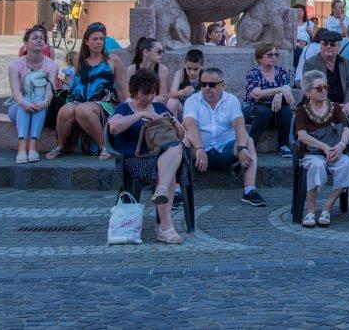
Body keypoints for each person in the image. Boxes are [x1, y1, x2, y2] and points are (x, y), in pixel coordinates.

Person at [108, 69, 189, 244]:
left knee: (176, 147)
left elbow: (181, 135)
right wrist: (140, 115)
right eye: (145, 93)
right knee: (168, 169)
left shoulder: (160, 107)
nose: (149, 97)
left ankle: (162, 193)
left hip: (162, 156)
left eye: (153, 93)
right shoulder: (124, 108)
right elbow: (114, 127)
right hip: (134, 160)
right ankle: (166, 226)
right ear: (135, 91)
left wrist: (173, 121)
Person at [183, 68, 265, 206]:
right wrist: (199, 147)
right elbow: (190, 124)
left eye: (212, 84)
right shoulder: (193, 100)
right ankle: (178, 191)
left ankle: (249, 190)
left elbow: (239, 124)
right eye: (203, 84)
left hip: (225, 150)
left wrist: (241, 147)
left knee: (249, 141)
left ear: (222, 85)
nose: (207, 88)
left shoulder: (231, 100)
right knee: (184, 142)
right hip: (199, 154)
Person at [294, 69, 349, 228]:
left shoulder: (335, 107)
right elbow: (302, 136)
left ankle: (327, 208)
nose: (324, 91)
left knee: (347, 165)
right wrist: (324, 146)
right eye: (319, 88)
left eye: (325, 87)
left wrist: (341, 146)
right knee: (316, 165)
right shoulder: (302, 110)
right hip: (313, 153)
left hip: (335, 151)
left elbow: (347, 130)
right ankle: (311, 211)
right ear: (308, 92)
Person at [49, 22, 117, 159]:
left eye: (101, 39)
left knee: (83, 110)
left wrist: (128, 106)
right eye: (95, 39)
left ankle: (103, 147)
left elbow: (121, 86)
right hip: (77, 99)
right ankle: (61, 146)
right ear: (86, 41)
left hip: (102, 102)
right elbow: (72, 80)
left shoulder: (112, 60)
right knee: (65, 110)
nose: (99, 42)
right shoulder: (78, 59)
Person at [7, 28, 58, 163]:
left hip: (42, 106)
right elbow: (16, 91)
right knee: (27, 98)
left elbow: (50, 90)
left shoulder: (51, 65)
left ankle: (33, 145)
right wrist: (23, 103)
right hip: (18, 107)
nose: (39, 40)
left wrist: (44, 103)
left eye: (41, 38)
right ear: (25, 43)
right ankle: (22, 146)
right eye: (34, 38)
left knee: (38, 99)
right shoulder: (15, 65)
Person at [301, 28, 349, 130]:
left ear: (339, 47)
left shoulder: (346, 62)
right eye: (325, 44)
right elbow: (309, 89)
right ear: (321, 46)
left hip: (344, 102)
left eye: (332, 45)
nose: (328, 47)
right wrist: (334, 106)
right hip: (321, 102)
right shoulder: (311, 63)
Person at [244, 42, 295, 158]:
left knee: (286, 110)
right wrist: (279, 90)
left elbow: (287, 89)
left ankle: (283, 145)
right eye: (270, 55)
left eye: (276, 54)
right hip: (253, 110)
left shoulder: (281, 71)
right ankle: (250, 145)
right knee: (264, 111)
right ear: (259, 57)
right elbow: (256, 94)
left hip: (274, 110)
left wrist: (279, 93)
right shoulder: (253, 73)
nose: (274, 57)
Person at [125, 37, 170, 103]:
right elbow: (128, 98)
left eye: (162, 51)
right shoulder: (132, 69)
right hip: (135, 107)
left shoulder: (163, 70)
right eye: (159, 51)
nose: (162, 54)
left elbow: (163, 97)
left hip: (155, 106)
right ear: (146, 52)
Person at [166, 48, 204, 117]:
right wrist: (182, 92)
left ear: (202, 67)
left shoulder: (204, 76)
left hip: (198, 110)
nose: (192, 72)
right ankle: (173, 126)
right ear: (184, 65)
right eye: (189, 68)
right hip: (183, 108)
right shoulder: (181, 73)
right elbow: (170, 95)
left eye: (195, 69)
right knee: (172, 102)